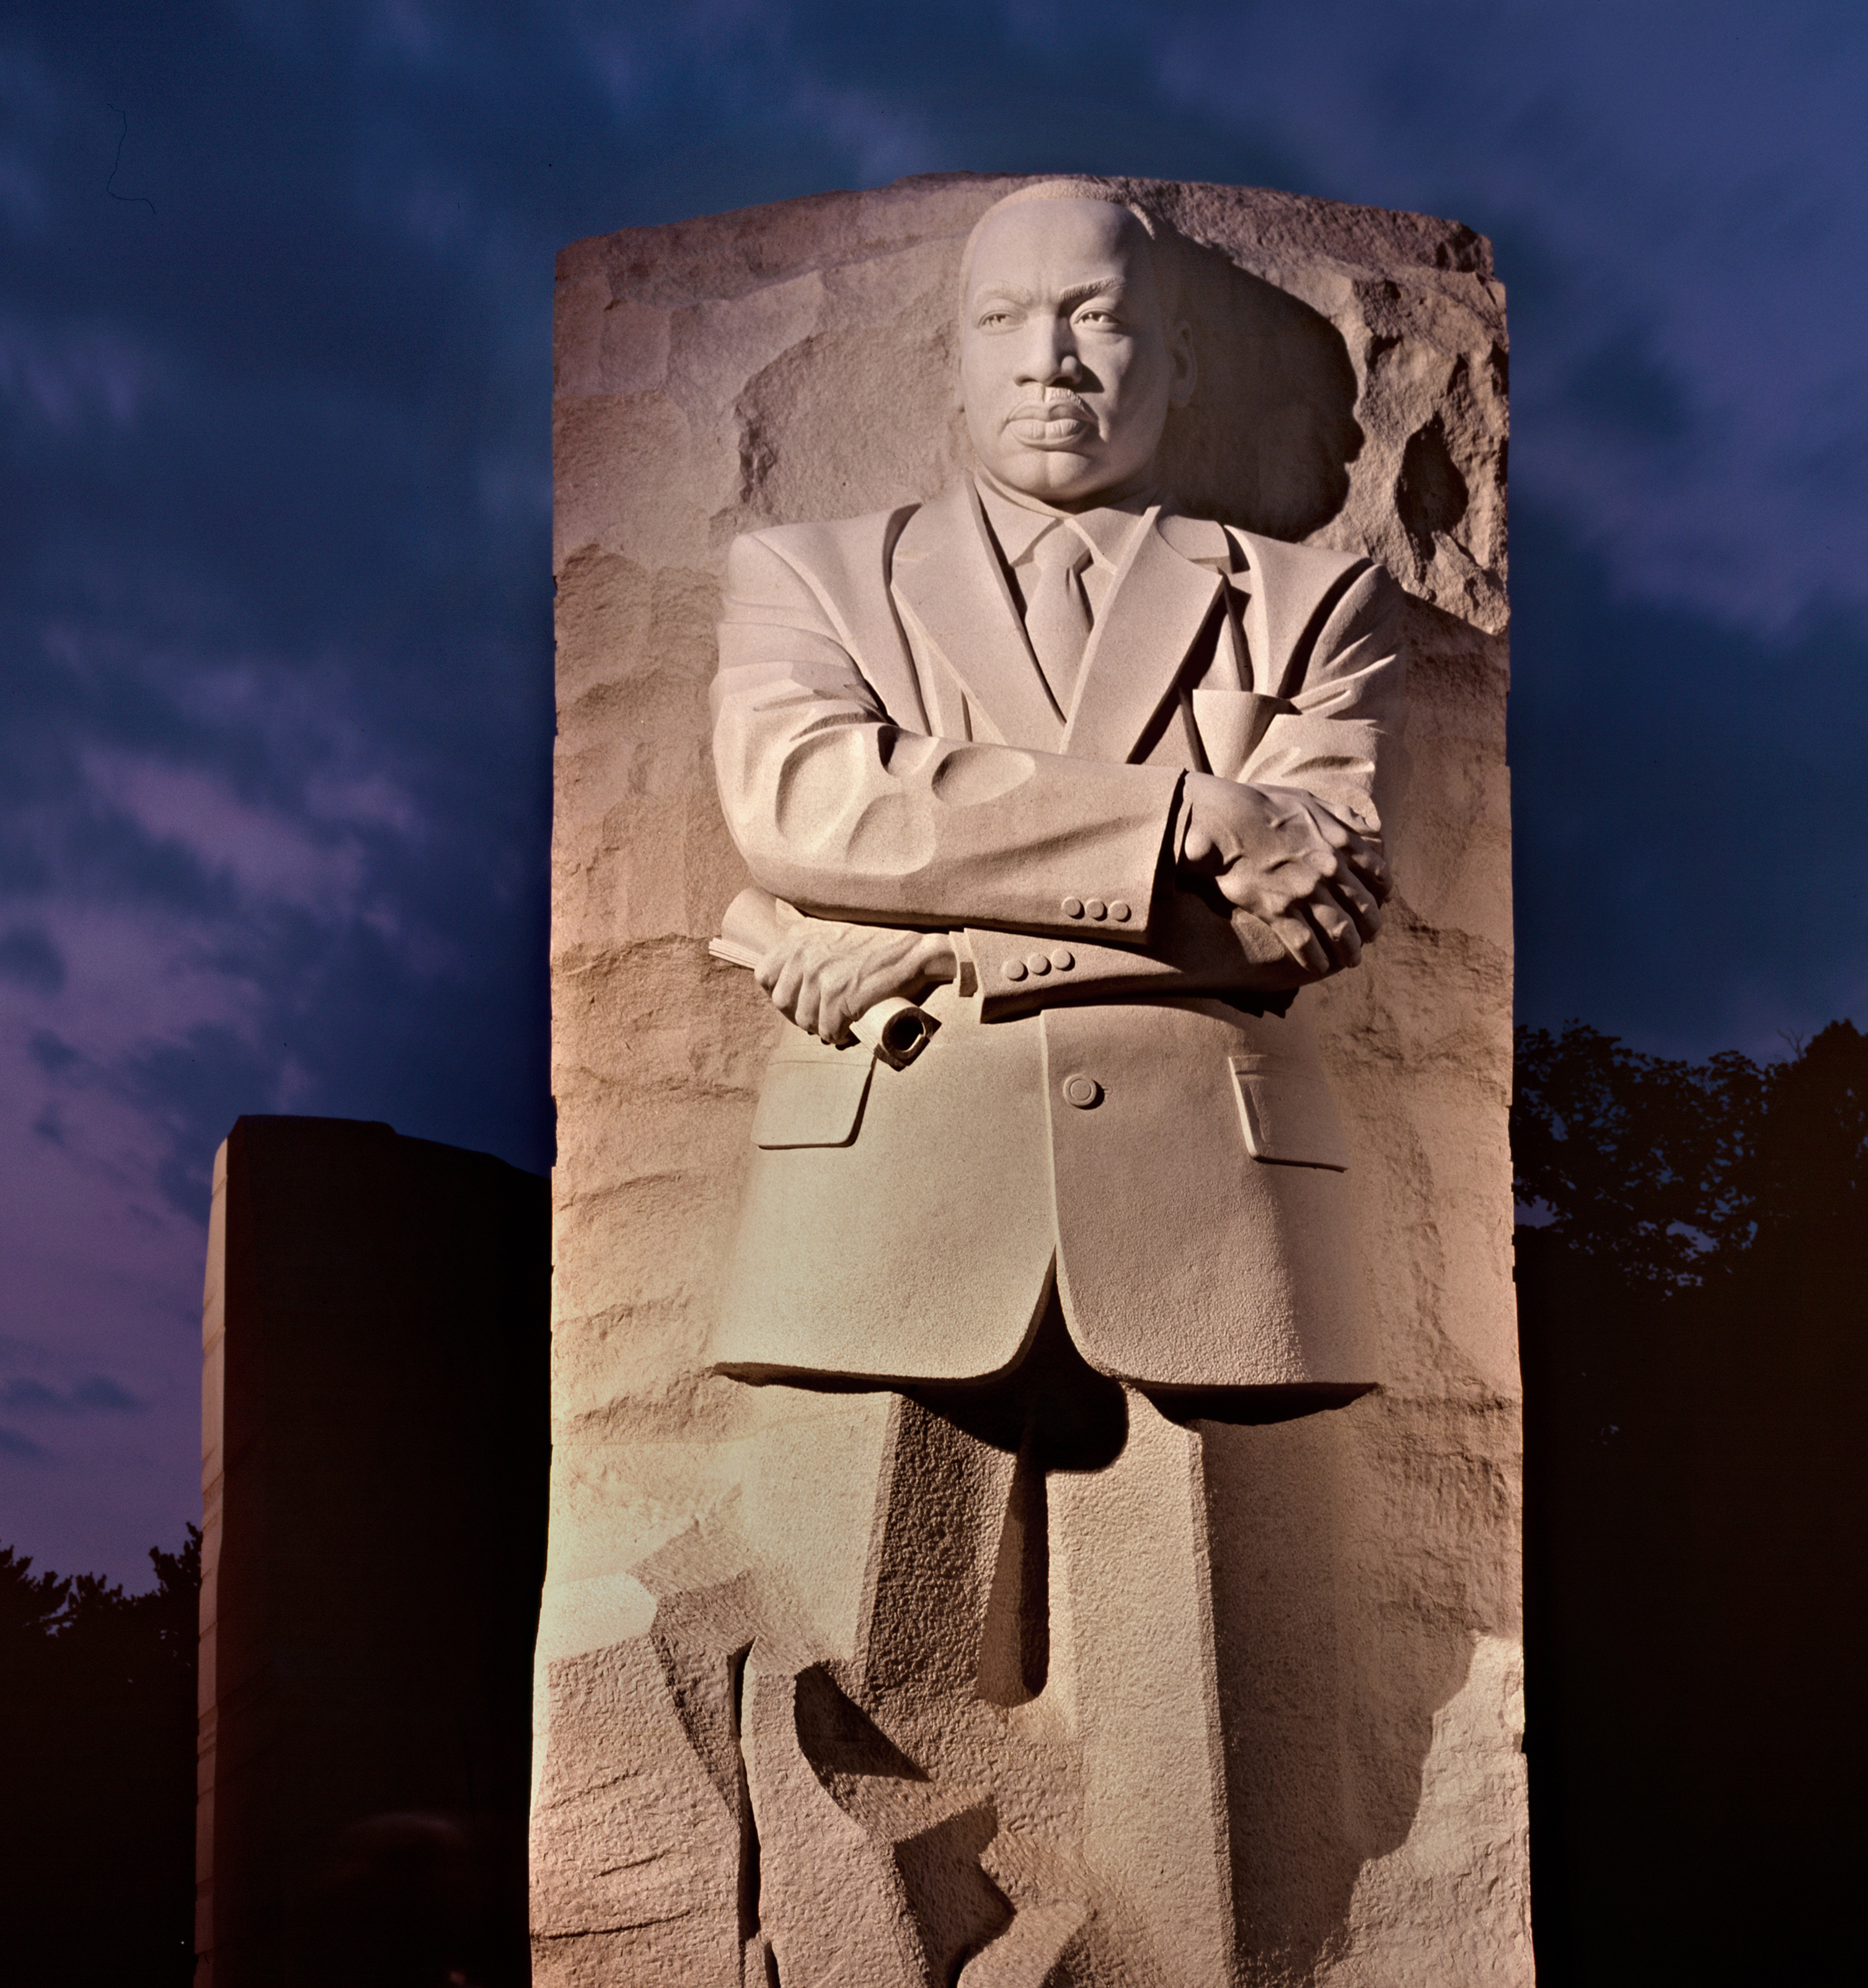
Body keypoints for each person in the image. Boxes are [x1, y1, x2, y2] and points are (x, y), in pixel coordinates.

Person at [697, 179, 1404, 1984]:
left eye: (1099, 320)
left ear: (1168, 364)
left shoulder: (1313, 603)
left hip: (1207, 1207)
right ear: (947, 362)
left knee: (1221, 1800)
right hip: (890, 1196)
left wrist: (908, 934)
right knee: (843, 1722)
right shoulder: (811, 577)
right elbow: (805, 805)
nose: (1056, 360)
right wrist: (1189, 815)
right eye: (1009, 322)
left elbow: (1312, 915)